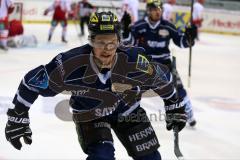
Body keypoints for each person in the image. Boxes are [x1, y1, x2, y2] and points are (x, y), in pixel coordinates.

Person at [5, 11, 187, 160]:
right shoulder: (69, 64)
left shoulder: (134, 61)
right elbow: (31, 83)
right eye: (101, 42)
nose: (107, 48)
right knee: (102, 157)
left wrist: (174, 106)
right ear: (91, 41)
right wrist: (17, 116)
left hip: (128, 111)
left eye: (112, 42)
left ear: (119, 41)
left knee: (150, 158)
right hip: (90, 115)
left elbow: (164, 78)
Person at [121, 0, 197, 127]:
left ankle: (188, 114)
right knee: (133, 89)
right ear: (148, 10)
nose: (157, 12)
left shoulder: (168, 26)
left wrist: (190, 37)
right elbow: (129, 43)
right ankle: (129, 114)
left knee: (178, 90)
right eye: (154, 9)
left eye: (159, 9)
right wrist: (126, 31)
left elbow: (182, 42)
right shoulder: (139, 26)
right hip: (144, 65)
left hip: (165, 64)